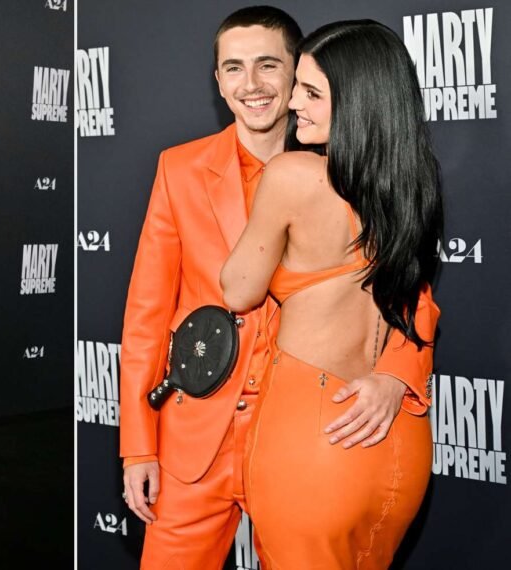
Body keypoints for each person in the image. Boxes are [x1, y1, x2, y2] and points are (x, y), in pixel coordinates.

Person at [120, 7, 439, 568]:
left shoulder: (354, 167)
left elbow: (413, 293)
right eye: (234, 68)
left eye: (268, 66)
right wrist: (137, 446)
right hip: (198, 438)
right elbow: (146, 315)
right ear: (217, 81)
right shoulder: (179, 168)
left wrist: (396, 375)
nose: (252, 85)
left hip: (304, 433)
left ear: (297, 74)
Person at [220, 20, 443, 568]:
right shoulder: (413, 188)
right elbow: (419, 303)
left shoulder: (292, 174)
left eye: (312, 93)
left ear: (360, 103)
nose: (293, 102)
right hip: (398, 440)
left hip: (316, 431)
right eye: (297, 85)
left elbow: (238, 289)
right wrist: (395, 376)